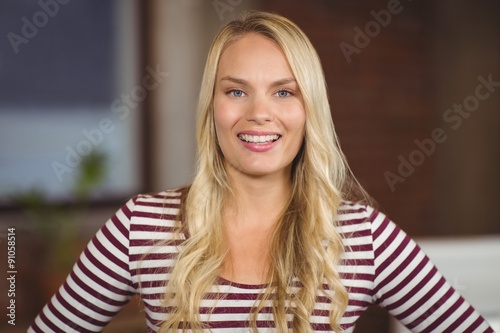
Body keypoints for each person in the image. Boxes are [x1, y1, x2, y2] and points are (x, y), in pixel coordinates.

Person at [29, 11, 494, 333]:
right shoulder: (140, 226)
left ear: (309, 108)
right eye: (236, 92)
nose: (258, 114)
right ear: (211, 107)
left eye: (284, 92)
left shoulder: (362, 236)